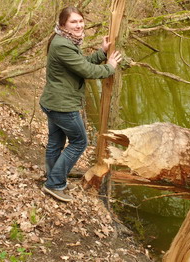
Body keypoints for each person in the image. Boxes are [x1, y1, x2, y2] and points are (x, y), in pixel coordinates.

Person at [39, 6, 122, 202]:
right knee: (79, 142)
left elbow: (79, 62)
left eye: (80, 21)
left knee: (55, 143)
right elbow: (87, 71)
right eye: (73, 22)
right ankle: (54, 184)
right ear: (63, 24)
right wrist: (110, 67)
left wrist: (101, 53)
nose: (78, 25)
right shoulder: (62, 45)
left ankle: (51, 177)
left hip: (53, 101)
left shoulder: (63, 40)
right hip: (62, 105)